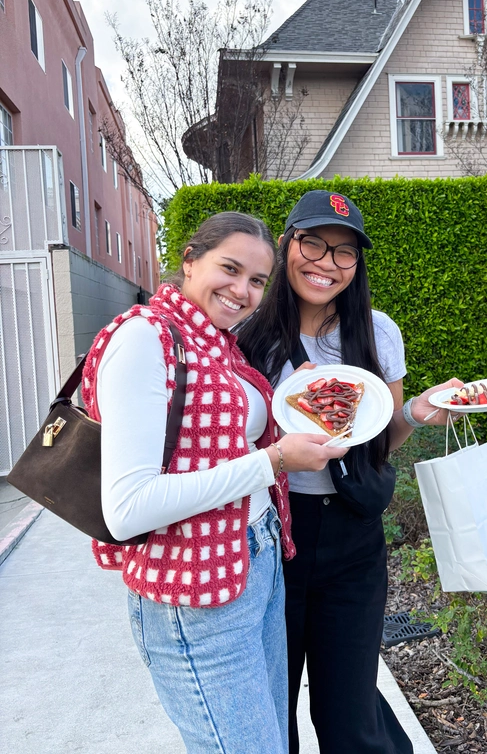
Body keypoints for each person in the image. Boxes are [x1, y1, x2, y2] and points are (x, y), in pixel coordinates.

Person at [82, 212, 348, 754]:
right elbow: (128, 508)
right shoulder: (144, 339)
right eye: (229, 269)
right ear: (188, 259)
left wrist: (290, 407)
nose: (242, 291)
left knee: (273, 741)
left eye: (256, 281)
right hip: (194, 595)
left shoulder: (214, 341)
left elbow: (218, 438)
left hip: (255, 562)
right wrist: (274, 460)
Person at [238, 191, 460, 754]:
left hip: (353, 534)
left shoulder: (377, 331)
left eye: (344, 252)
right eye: (313, 243)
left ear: (357, 265)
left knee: (349, 710)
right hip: (270, 533)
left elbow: (378, 441)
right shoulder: (244, 335)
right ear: (287, 244)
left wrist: (414, 413)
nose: (326, 263)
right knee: (271, 704)